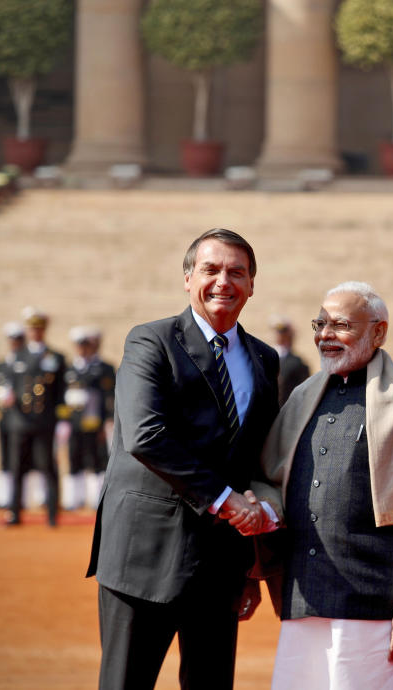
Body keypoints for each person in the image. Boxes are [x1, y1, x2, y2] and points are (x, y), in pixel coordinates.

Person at [86, 228, 280, 689]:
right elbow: (145, 436)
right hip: (144, 557)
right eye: (211, 270)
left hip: (220, 564)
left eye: (237, 272)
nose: (223, 282)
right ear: (188, 278)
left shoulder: (265, 358)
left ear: (252, 284)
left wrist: (251, 564)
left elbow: (253, 459)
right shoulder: (151, 341)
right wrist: (226, 501)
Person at [252, 281, 393, 690]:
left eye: (341, 325)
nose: (325, 335)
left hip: (378, 608)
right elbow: (268, 482)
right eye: (320, 323)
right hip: (305, 603)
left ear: (379, 332)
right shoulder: (301, 397)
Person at [4, 307, 66, 526]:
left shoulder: (56, 357)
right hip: (20, 421)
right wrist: (5, 395)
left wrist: (62, 420)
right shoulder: (17, 356)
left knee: (47, 467)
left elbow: (61, 392)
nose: (35, 333)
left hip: (44, 422)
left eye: (38, 329)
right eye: (32, 329)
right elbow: (8, 383)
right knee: (17, 467)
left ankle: (51, 514)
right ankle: (14, 512)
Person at [59, 327, 114, 510]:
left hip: (94, 422)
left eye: (86, 345)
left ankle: (96, 498)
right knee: (74, 458)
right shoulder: (69, 369)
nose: (83, 349)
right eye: (79, 345)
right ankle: (73, 499)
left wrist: (108, 420)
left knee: (97, 459)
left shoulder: (102, 369)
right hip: (74, 422)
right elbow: (61, 396)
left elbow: (109, 397)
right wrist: (63, 420)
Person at [0, 322, 27, 509]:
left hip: (22, 419)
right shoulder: (2, 365)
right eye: (12, 340)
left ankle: (25, 498)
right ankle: (4, 497)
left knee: (24, 459)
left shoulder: (27, 362)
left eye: (18, 339)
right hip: (4, 418)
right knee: (4, 457)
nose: (15, 343)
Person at [270, 316, 310, 407]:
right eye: (277, 331)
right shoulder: (263, 356)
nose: (278, 334)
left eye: (282, 331)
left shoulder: (298, 364)